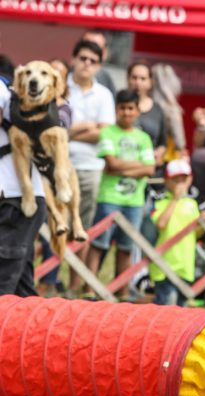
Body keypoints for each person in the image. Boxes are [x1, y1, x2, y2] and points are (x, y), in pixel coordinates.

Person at [85, 89, 155, 299]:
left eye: (130, 108)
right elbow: (111, 163)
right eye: (122, 108)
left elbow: (149, 170)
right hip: (109, 199)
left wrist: (119, 167)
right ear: (116, 110)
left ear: (137, 111)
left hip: (134, 202)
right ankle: (89, 290)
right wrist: (136, 165)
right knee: (98, 246)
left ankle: (122, 292)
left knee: (126, 248)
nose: (126, 112)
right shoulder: (107, 133)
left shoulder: (144, 138)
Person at [67, 39, 115, 292]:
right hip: (57, 164)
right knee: (54, 224)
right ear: (73, 58)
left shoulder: (104, 94)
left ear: (98, 66)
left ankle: (74, 285)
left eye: (92, 61)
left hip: (90, 167)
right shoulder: (59, 87)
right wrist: (86, 127)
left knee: (81, 228)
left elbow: (104, 133)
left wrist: (68, 132)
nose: (86, 64)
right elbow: (52, 126)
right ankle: (47, 280)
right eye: (83, 58)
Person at [0, 74, 46, 296]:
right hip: (17, 199)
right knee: (21, 288)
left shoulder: (1, 86)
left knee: (4, 282)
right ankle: (37, 330)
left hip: (15, 199)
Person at [149, 159, 205, 306]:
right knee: (167, 306)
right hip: (164, 267)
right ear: (166, 181)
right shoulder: (160, 202)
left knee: (180, 309)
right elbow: (161, 224)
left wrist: (204, 222)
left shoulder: (192, 204)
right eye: (175, 180)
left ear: (190, 180)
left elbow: (196, 234)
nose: (180, 184)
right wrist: (175, 199)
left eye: (183, 180)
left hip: (185, 266)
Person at [37, 58, 72, 297]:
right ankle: (28, 278)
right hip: (27, 177)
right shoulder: (27, 103)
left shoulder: (64, 108)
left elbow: (53, 135)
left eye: (59, 74)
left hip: (54, 176)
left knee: (54, 227)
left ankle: (49, 280)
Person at [127, 60, 167, 165]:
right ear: (128, 79)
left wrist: (158, 153)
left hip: (149, 166)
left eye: (143, 79)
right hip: (123, 164)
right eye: (134, 78)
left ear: (150, 82)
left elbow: (163, 143)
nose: (138, 82)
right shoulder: (119, 104)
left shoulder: (158, 109)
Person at [151, 63, 187, 159]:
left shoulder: (149, 103)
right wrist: (181, 149)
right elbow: (179, 139)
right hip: (167, 156)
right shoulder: (172, 108)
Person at [81, 29, 116, 96]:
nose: (88, 62)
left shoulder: (106, 79)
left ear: (104, 52)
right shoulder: (66, 76)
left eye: (96, 48)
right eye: (87, 46)